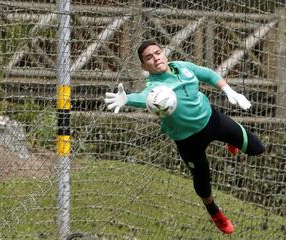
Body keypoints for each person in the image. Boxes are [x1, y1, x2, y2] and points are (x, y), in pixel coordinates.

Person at [104, 40, 265, 234]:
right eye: (149, 57)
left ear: (164, 54)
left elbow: (207, 73)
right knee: (203, 183)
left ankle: (230, 140)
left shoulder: (182, 67)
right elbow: (143, 97)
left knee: (258, 149)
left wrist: (229, 90)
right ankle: (215, 213)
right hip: (188, 140)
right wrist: (127, 99)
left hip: (212, 120)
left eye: (157, 53)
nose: (155, 58)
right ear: (144, 66)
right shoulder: (155, 88)